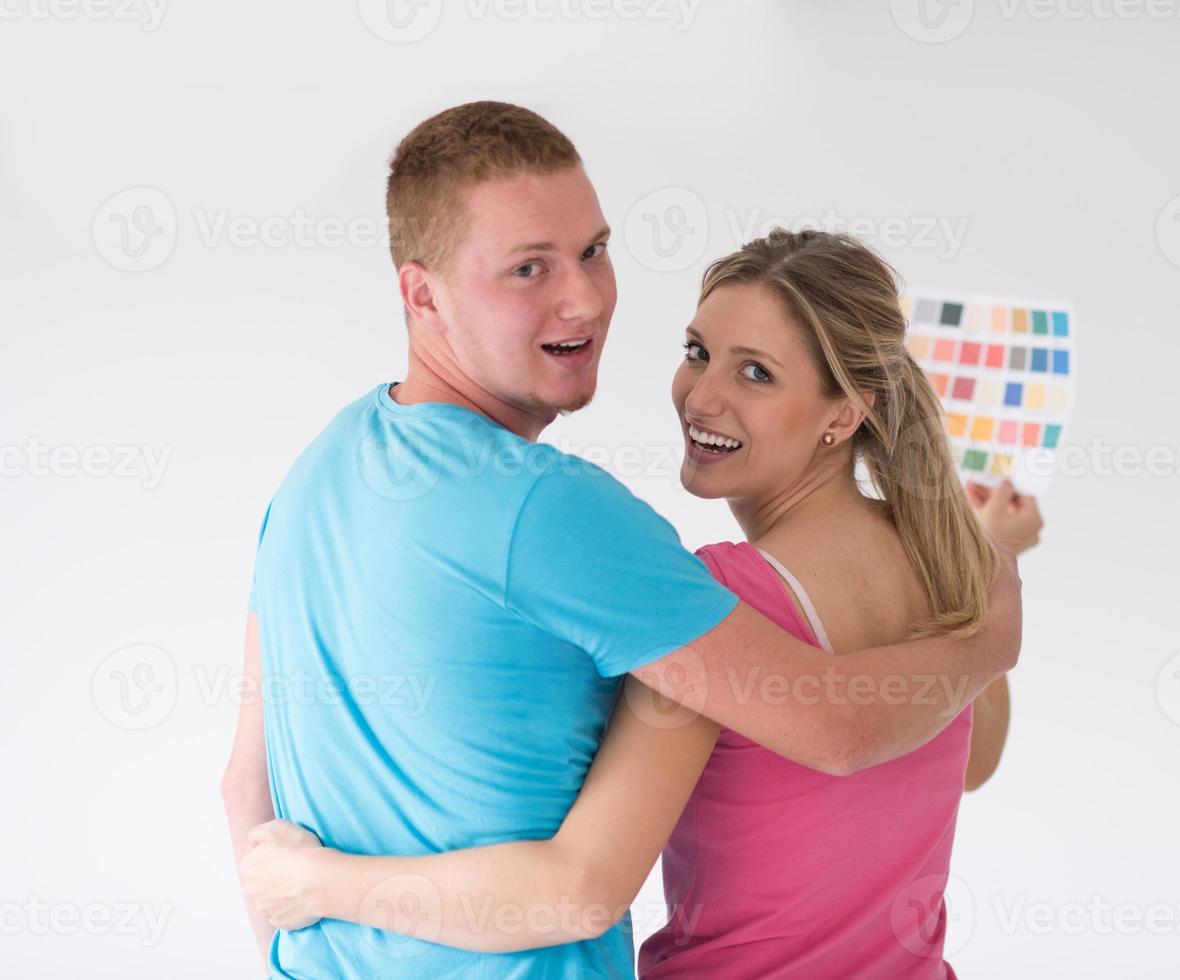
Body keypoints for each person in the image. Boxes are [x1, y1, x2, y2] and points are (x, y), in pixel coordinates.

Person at [220, 102, 1022, 980]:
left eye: (593, 252)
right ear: (423, 295)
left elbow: (244, 794)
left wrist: (314, 900)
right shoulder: (932, 565)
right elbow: (941, 751)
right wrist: (990, 616)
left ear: (845, 414)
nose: (585, 297)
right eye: (529, 268)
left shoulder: (308, 478)